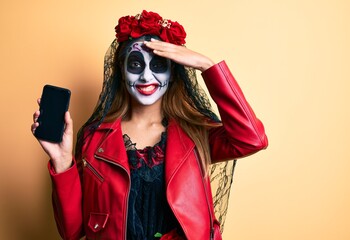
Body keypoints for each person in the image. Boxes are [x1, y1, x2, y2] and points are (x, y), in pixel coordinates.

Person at [31, 10, 268, 240]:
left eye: (158, 65)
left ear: (173, 73)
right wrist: (62, 163)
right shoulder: (95, 138)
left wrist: (206, 66)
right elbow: (72, 232)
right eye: (135, 65)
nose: (146, 76)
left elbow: (252, 139)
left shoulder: (195, 134)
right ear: (121, 72)